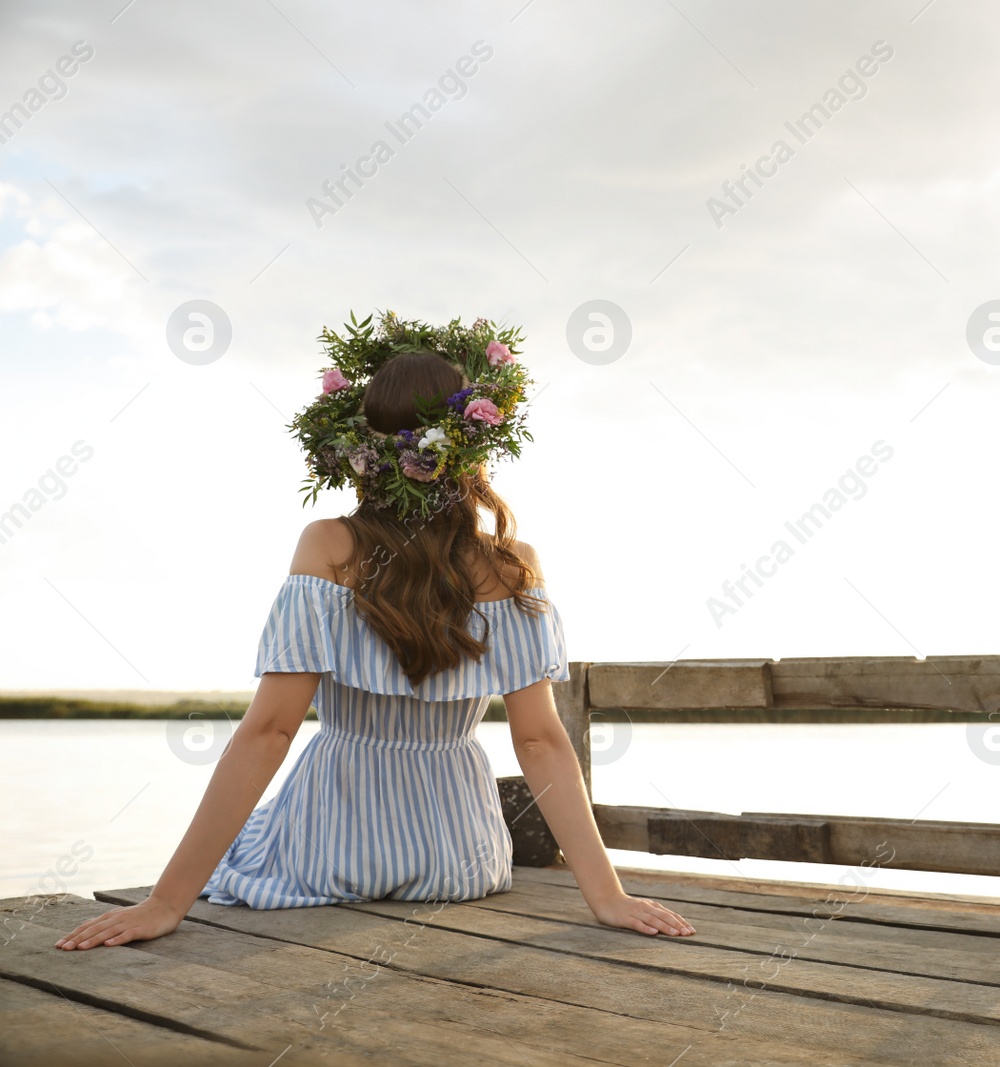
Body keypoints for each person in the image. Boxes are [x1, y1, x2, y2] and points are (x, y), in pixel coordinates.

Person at [55, 314, 694, 951]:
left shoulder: (328, 545)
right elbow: (541, 741)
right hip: (459, 862)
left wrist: (167, 903)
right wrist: (607, 896)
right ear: (472, 445)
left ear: (365, 444)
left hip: (328, 850)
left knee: (256, 838)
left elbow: (271, 730)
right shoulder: (509, 564)